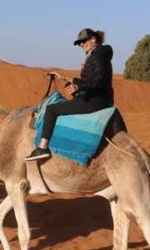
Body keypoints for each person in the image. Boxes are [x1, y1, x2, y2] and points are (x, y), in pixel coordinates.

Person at [26, 28, 115, 162]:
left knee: (51, 109)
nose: (81, 45)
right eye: (79, 43)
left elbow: (99, 81)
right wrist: (71, 81)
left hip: (94, 101)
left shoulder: (97, 55)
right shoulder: (98, 54)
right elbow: (92, 80)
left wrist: (79, 86)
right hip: (98, 98)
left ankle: (43, 148)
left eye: (84, 41)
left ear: (93, 39)